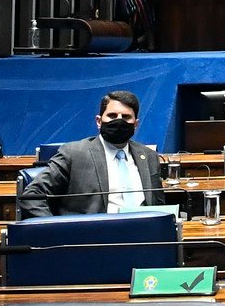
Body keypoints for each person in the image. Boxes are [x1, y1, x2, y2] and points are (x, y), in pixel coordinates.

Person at [16, 92, 166, 218]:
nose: (119, 121)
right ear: (99, 121)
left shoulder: (149, 156)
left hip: (144, 237)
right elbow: (32, 196)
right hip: (92, 238)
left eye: (126, 117)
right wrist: (55, 229)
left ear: (136, 124)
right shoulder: (73, 154)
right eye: (112, 116)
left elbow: (159, 205)